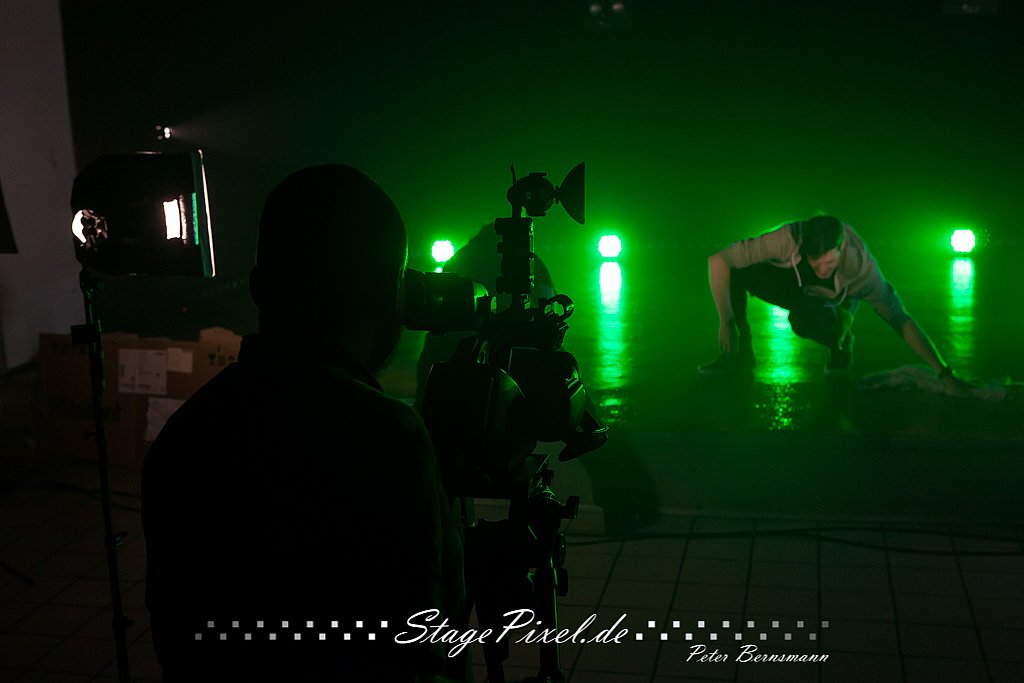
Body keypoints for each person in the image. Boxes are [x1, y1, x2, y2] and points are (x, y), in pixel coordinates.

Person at [142, 165, 468, 682]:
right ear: (391, 294)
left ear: (257, 287)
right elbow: (425, 653)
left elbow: (178, 641)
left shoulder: (183, 435)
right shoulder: (388, 438)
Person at [416, 224, 661, 535]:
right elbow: (546, 321)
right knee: (586, 426)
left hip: (472, 366)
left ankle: (433, 518)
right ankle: (631, 502)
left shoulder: (463, 261)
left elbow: (438, 339)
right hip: (531, 364)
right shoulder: (531, 264)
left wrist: (425, 399)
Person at [700, 214, 965, 391]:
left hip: (826, 303)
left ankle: (839, 343)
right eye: (815, 262)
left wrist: (943, 373)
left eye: (828, 262)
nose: (822, 269)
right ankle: (739, 351)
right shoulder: (788, 238)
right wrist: (727, 321)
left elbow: (900, 319)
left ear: (840, 249)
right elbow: (718, 261)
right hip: (793, 283)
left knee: (802, 320)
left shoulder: (862, 271)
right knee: (735, 271)